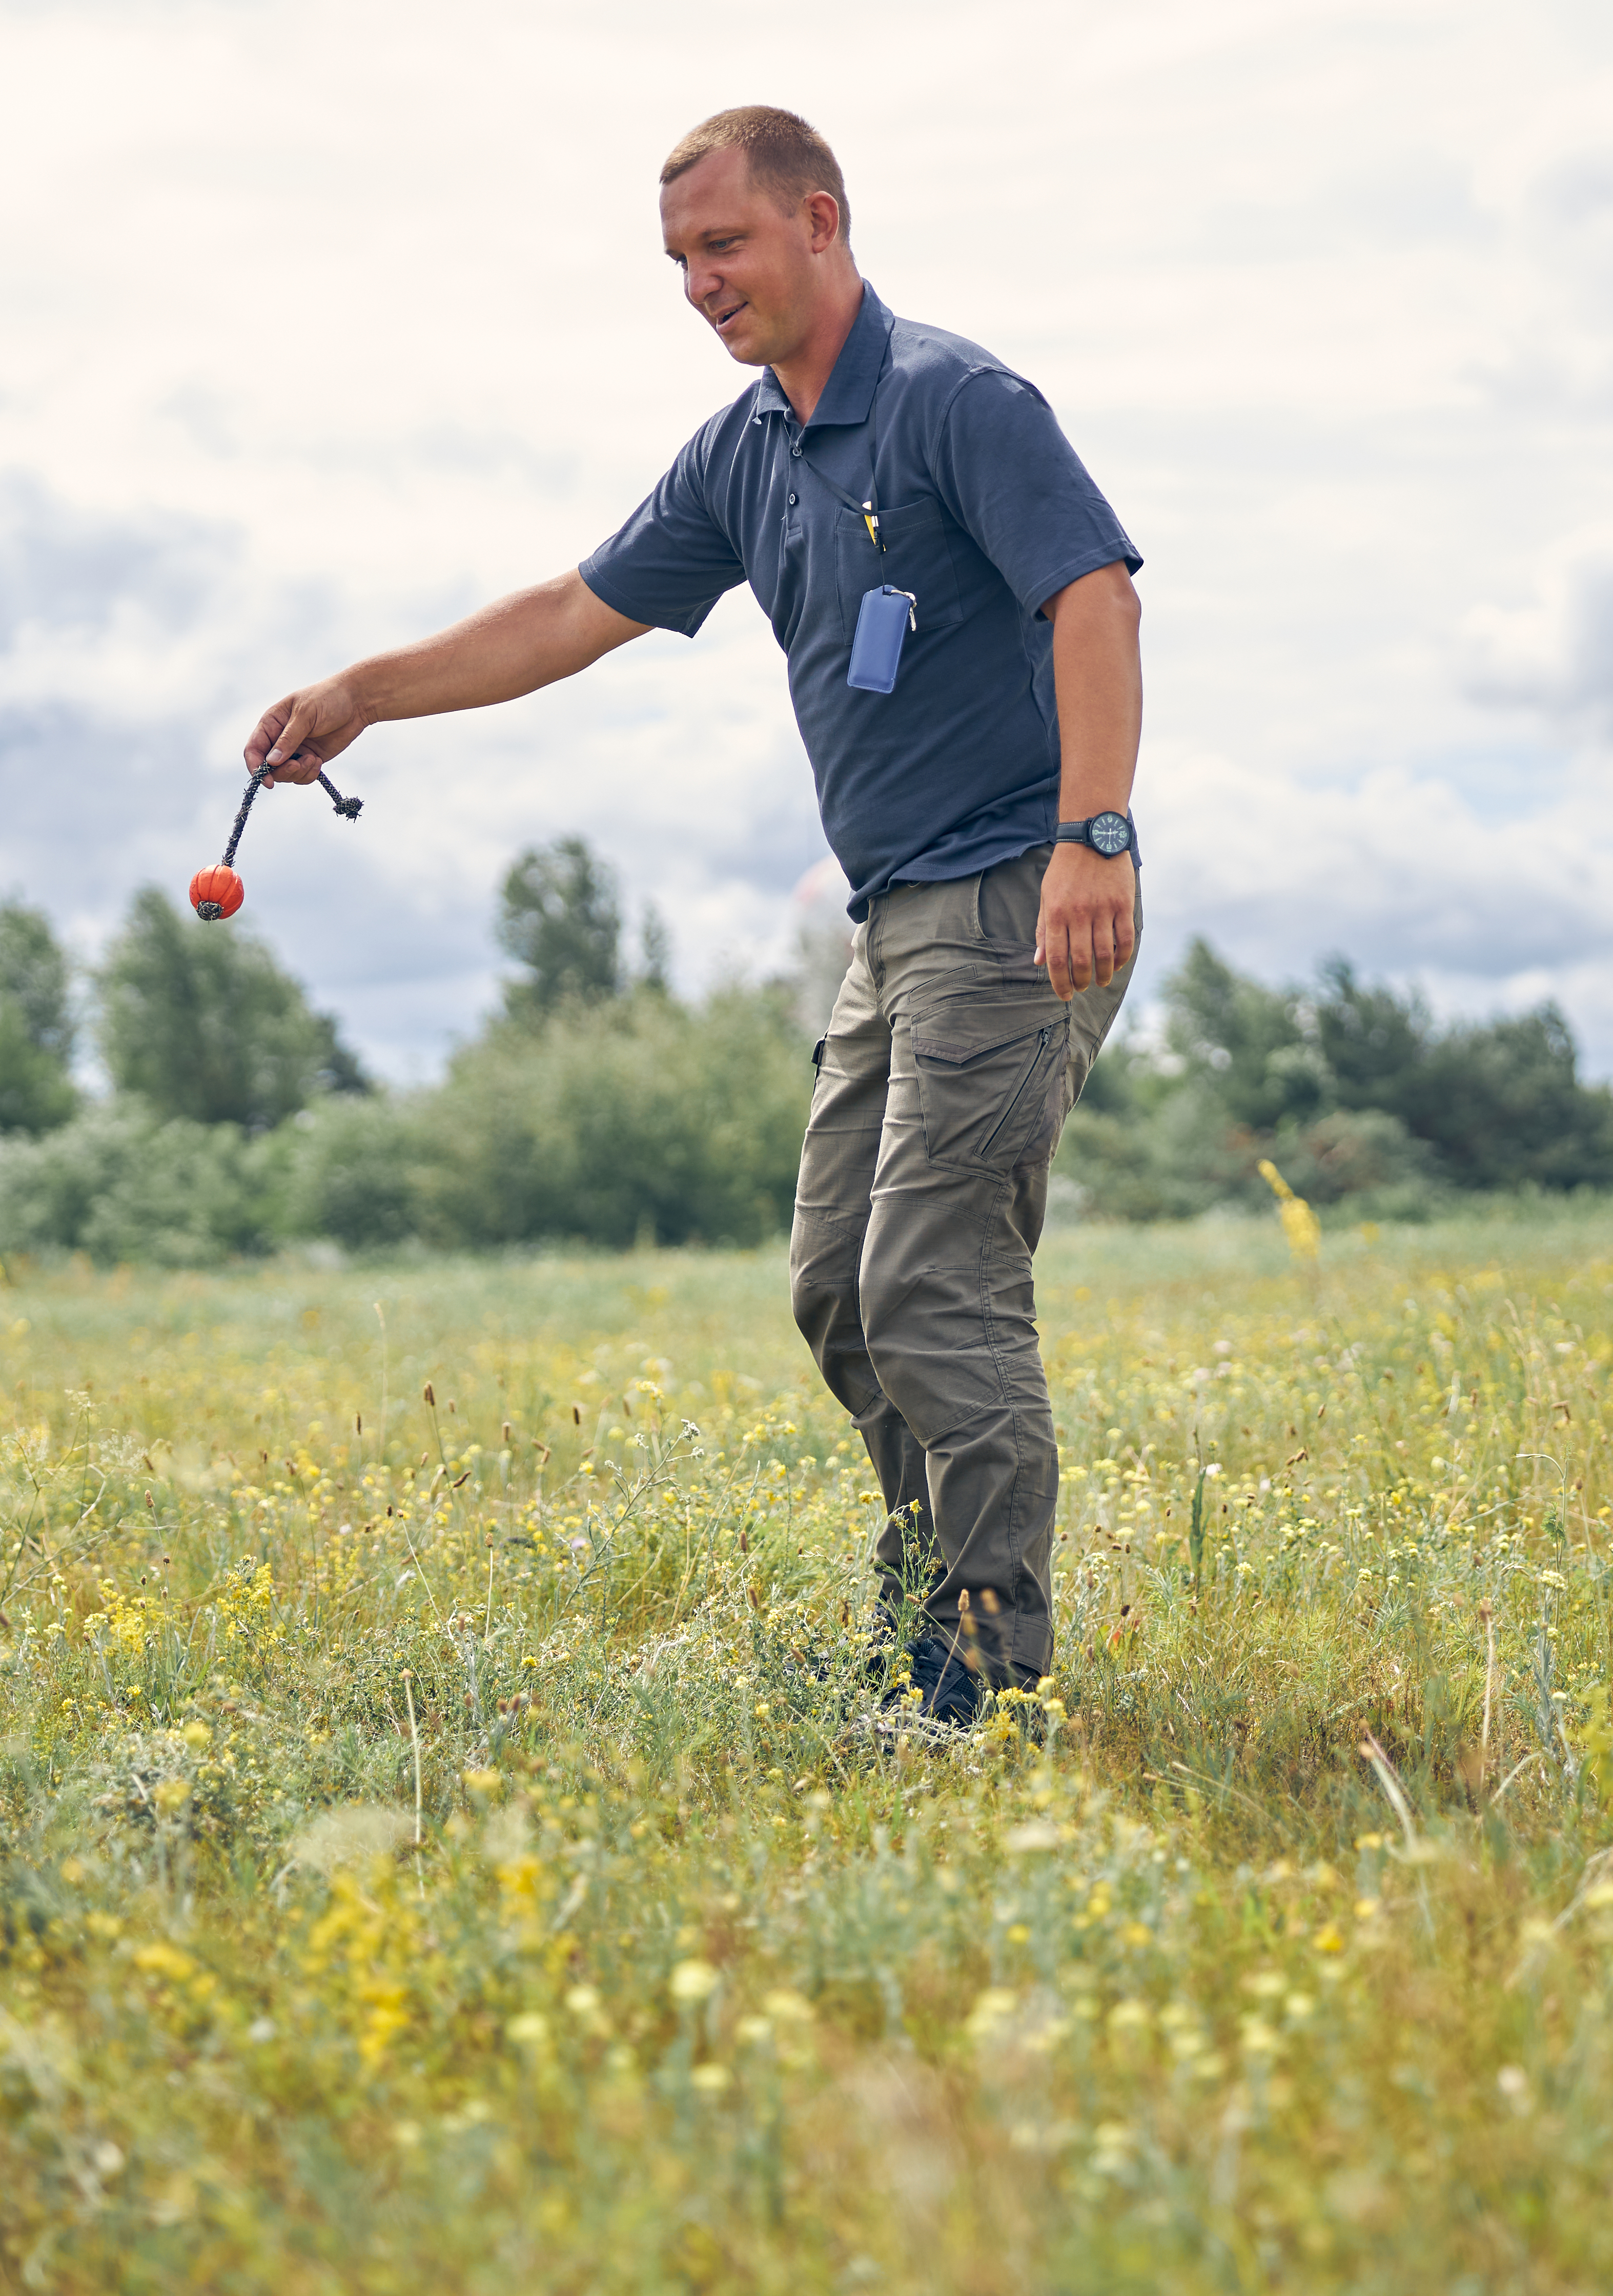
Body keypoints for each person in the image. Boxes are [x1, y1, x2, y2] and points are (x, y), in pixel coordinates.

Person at [244, 104, 1143, 1724]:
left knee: (934, 1282)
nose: (698, 285)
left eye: (721, 246)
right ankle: (925, 1617)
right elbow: (571, 618)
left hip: (1016, 890)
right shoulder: (748, 450)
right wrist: (366, 690)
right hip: (896, 923)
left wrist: (1097, 835)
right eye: (676, 260)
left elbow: (1095, 595)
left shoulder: (955, 401)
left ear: (820, 221)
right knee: (835, 1283)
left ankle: (987, 1674)